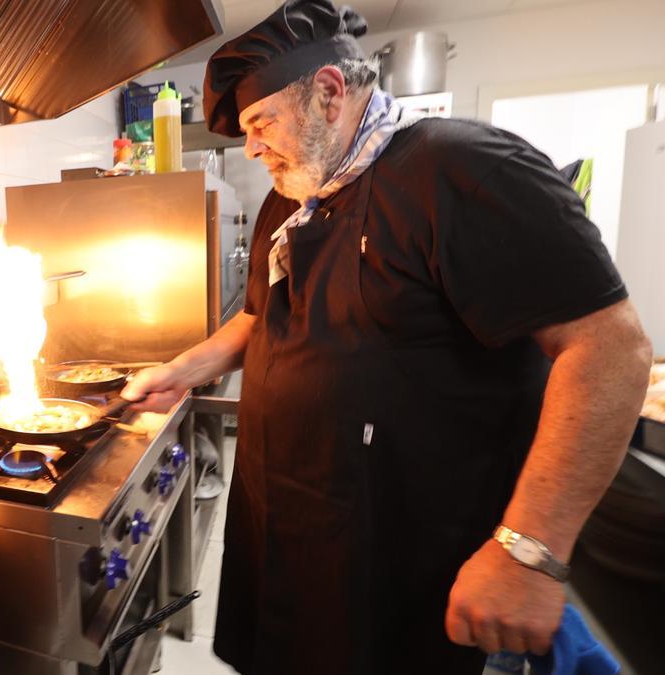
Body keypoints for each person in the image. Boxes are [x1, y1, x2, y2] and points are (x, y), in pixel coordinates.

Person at [121, 1, 652, 673]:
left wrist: (530, 550)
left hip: (409, 553)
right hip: (289, 531)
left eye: (260, 124)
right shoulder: (292, 200)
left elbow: (609, 350)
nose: (251, 149)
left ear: (330, 93)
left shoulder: (463, 169)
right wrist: (181, 370)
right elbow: (258, 316)